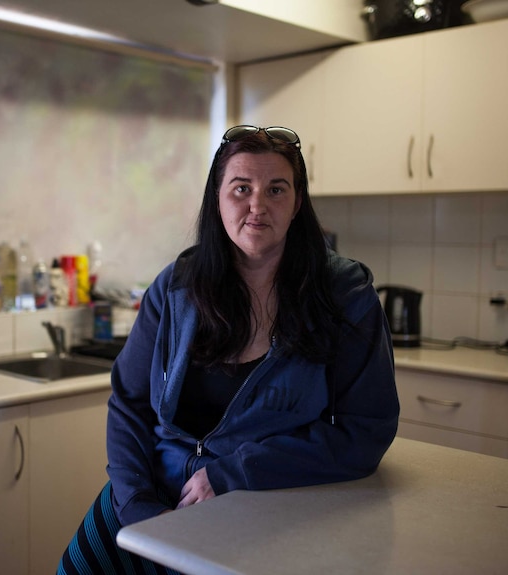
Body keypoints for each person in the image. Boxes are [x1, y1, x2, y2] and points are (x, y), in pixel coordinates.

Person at [57, 125, 399, 574]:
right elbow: (129, 401)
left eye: (276, 189)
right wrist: (138, 503)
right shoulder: (177, 286)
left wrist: (232, 474)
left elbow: (365, 432)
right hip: (147, 493)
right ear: (217, 201)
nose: (258, 205)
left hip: (259, 504)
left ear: (298, 203)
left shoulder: (344, 296)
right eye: (241, 188)